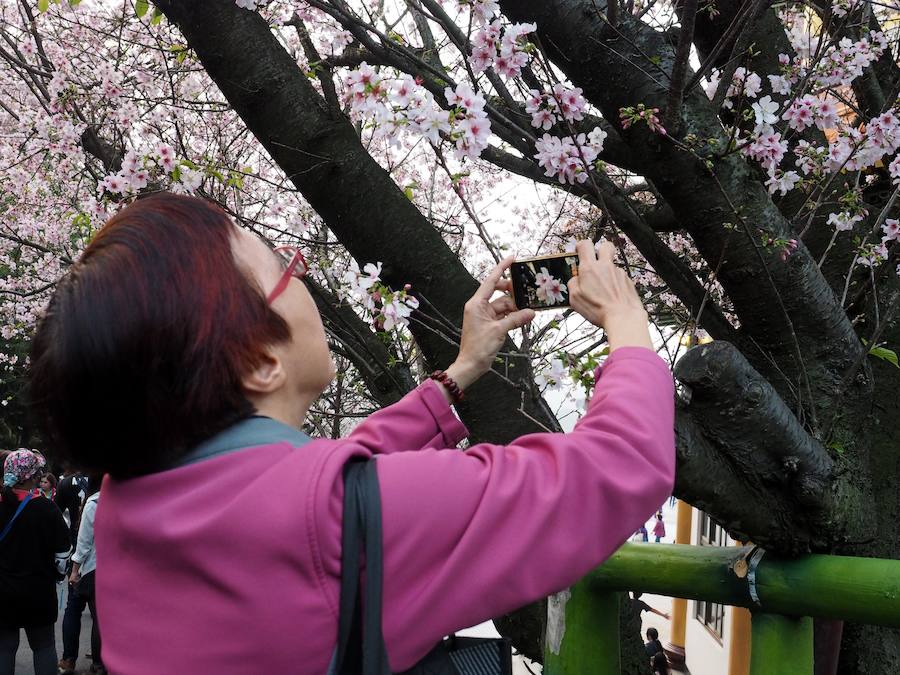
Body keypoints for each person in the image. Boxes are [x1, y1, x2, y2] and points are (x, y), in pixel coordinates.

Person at [28, 193, 675, 673]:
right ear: (261, 361)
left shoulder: (124, 501)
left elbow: (320, 480)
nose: (303, 277)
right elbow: (621, 464)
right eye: (285, 268)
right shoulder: (334, 519)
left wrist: (460, 371)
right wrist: (625, 319)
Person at [0, 450, 70, 675]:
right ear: (31, 476)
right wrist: (58, 576)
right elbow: (62, 555)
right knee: (43, 646)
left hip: (3, 591)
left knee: (4, 648)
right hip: (38, 591)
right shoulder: (47, 509)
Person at [64, 475, 103, 674]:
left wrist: (74, 570)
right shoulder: (127, 498)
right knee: (105, 619)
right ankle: (103, 662)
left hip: (93, 568)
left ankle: (83, 662)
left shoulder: (94, 502)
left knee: (87, 615)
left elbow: (84, 541)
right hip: (117, 568)